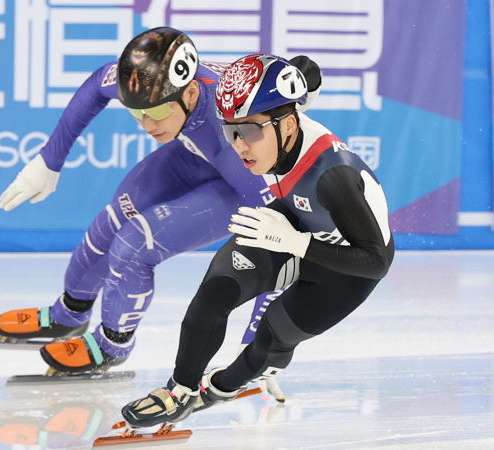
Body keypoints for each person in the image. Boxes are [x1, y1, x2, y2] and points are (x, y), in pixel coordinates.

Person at [0, 28, 307, 375]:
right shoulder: (149, 81)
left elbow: (281, 247)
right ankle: (68, 314)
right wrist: (49, 160)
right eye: (135, 113)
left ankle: (112, 345)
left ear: (190, 92)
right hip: (196, 153)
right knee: (109, 225)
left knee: (134, 244)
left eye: (155, 113)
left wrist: (261, 344)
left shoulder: (230, 136)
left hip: (239, 178)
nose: (145, 125)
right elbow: (99, 83)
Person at [120, 54, 395, 429]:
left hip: (347, 270)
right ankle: (180, 390)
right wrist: (301, 78)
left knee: (268, 341)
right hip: (293, 223)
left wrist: (297, 244)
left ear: (289, 126)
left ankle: (220, 387)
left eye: (249, 132)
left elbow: (376, 262)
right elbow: (304, 72)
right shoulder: (281, 121)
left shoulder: (335, 176)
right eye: (230, 132)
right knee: (215, 292)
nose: (240, 146)